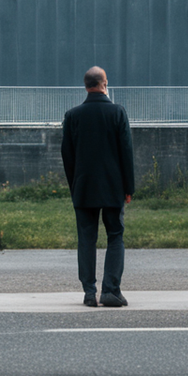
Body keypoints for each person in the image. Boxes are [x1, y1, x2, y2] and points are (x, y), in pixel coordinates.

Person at [61, 66, 136, 308]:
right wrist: (129, 188)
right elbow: (126, 153)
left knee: (86, 239)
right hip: (113, 187)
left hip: (83, 188)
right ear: (105, 84)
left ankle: (89, 293)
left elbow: (67, 156)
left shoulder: (72, 116)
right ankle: (111, 291)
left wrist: (75, 187)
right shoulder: (117, 113)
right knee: (115, 236)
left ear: (86, 86)